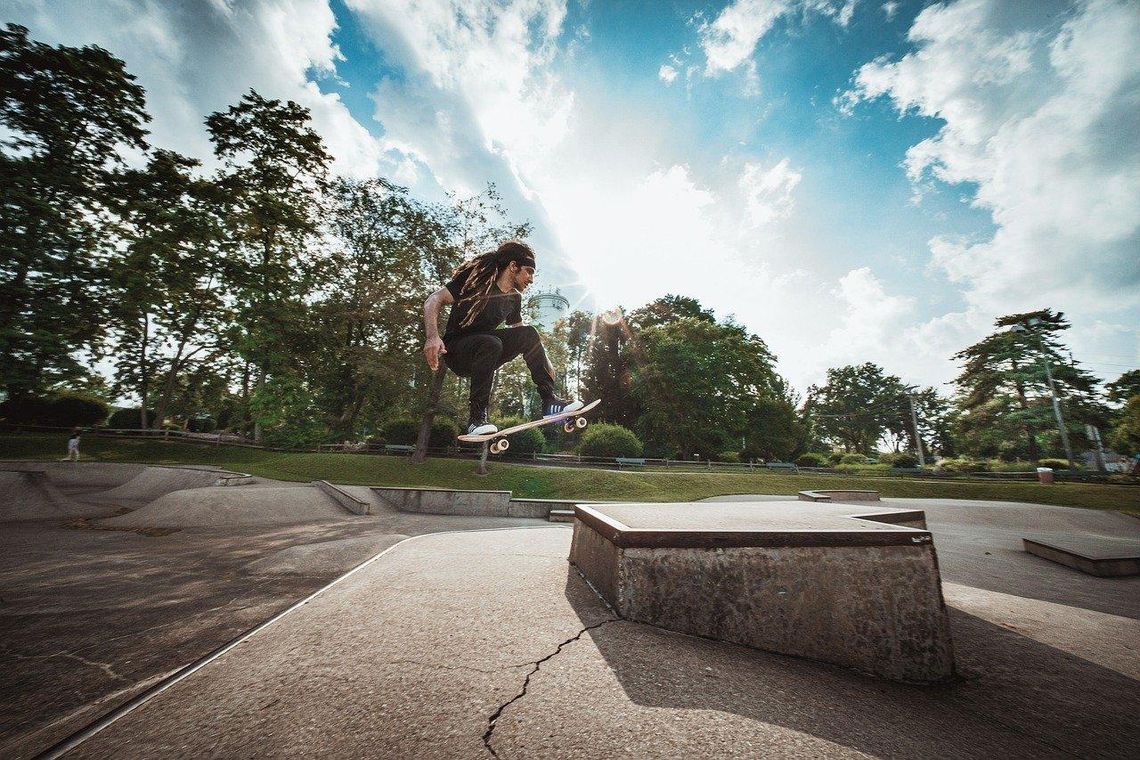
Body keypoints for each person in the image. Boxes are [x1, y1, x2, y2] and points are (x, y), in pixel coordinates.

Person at [423, 240, 581, 436]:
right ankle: (476, 420)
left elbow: (520, 332)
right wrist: (432, 336)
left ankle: (549, 402)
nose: (531, 279)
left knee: (529, 333)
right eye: (528, 271)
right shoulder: (476, 280)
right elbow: (434, 300)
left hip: (487, 351)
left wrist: (545, 362)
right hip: (457, 351)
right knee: (491, 342)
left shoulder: (514, 297)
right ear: (513, 266)